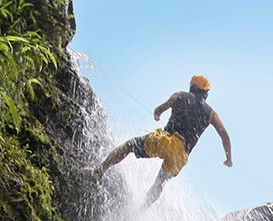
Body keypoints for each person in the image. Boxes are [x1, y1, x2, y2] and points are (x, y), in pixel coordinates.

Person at [92, 74, 232, 209]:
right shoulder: (211, 114)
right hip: (180, 155)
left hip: (165, 140)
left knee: (130, 145)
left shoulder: (179, 95)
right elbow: (225, 135)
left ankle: (100, 169)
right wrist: (228, 158)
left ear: (191, 87)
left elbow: (159, 110)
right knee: (159, 183)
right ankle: (140, 211)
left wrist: (157, 115)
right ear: (205, 94)